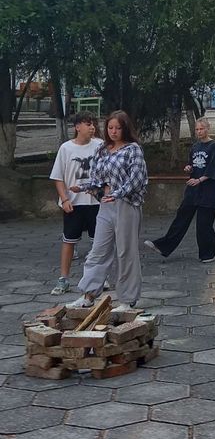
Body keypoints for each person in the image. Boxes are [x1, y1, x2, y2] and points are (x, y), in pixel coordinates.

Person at [71, 110, 148, 310]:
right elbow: (97, 177)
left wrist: (119, 193)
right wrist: (84, 187)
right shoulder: (103, 149)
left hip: (126, 204)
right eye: (110, 128)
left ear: (125, 129)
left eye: (118, 128)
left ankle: (127, 299)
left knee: (126, 252)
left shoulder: (133, 149)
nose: (113, 132)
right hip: (106, 204)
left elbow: (137, 179)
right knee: (98, 250)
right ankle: (88, 295)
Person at [144, 117, 215, 263]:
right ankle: (163, 246)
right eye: (197, 129)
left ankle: (208, 254)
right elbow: (193, 164)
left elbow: (214, 170)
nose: (199, 132)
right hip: (193, 191)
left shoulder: (214, 147)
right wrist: (189, 168)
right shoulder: (195, 147)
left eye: (202, 129)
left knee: (204, 225)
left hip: (208, 192)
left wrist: (200, 180)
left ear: (208, 128)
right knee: (180, 220)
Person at [48, 112, 104, 294]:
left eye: (93, 124)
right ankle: (63, 279)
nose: (92, 127)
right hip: (73, 203)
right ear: (77, 127)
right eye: (88, 124)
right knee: (69, 240)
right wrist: (64, 199)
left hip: (96, 202)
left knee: (99, 242)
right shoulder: (66, 148)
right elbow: (58, 177)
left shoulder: (100, 145)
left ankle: (99, 278)